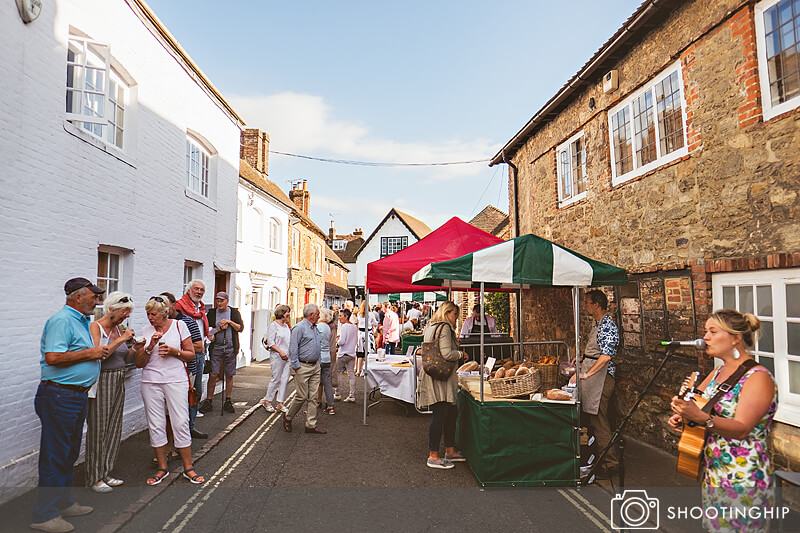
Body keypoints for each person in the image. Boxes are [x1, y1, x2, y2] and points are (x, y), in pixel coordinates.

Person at [669, 309, 777, 533]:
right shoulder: (716, 374)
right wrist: (684, 417)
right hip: (715, 473)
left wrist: (703, 419)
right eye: (705, 331)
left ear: (736, 338)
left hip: (743, 475)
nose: (705, 337)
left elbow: (742, 429)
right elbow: (699, 411)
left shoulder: (758, 377)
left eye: (713, 331)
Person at [31, 278, 110, 532]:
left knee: (69, 452)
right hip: (59, 396)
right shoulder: (62, 320)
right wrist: (91, 353)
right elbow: (53, 358)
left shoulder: (81, 321)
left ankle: (62, 502)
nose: (96, 300)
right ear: (78, 297)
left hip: (74, 396)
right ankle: (44, 515)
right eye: (93, 296)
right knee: (55, 454)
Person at [134, 296, 205, 486]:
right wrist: (149, 347)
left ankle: (188, 467)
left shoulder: (179, 326)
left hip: (176, 380)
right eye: (148, 314)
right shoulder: (145, 331)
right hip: (150, 381)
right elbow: (139, 363)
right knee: (156, 423)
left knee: (180, 421)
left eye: (154, 314)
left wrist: (174, 352)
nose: (150, 318)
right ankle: (162, 468)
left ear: (164, 312)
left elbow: (192, 354)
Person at [86, 292, 138, 494]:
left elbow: (123, 358)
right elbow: (99, 355)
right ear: (112, 309)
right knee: (99, 429)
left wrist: (134, 347)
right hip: (103, 379)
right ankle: (94, 477)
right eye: (125, 312)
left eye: (128, 312)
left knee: (114, 427)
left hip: (119, 377)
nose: (127, 316)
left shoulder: (118, 327)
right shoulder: (96, 326)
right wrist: (122, 339)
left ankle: (105, 472)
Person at [570, 289, 619, 478]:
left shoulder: (608, 325)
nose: (584, 305)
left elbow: (606, 356)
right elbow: (596, 350)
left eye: (587, 302)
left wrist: (586, 374)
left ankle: (610, 464)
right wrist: (582, 359)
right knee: (592, 418)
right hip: (593, 375)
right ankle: (597, 457)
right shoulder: (597, 324)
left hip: (602, 378)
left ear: (596, 304)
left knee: (600, 420)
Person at [417, 301, 466, 470]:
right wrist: (461, 353)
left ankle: (450, 450)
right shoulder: (444, 327)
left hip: (435, 374)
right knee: (440, 414)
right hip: (440, 377)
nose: (456, 318)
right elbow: (446, 353)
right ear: (447, 313)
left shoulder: (431, 325)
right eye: (454, 315)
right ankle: (433, 456)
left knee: (451, 412)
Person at [161, 292, 207, 439]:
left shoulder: (187, 321)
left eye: (166, 305)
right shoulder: (159, 323)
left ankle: (189, 428)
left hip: (187, 370)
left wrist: (175, 347)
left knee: (189, 399)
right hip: (166, 372)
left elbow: (199, 347)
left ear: (174, 305)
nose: (164, 309)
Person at [283, 303, 326, 434]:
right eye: (318, 314)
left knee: (313, 397)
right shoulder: (299, 328)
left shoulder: (315, 328)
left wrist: (318, 362)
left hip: (315, 366)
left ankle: (310, 425)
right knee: (301, 396)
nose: (319, 316)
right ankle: (288, 417)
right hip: (302, 366)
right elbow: (293, 348)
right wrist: (296, 366)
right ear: (311, 315)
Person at [199, 292, 243, 414]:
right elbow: (207, 331)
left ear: (227, 301)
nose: (219, 303)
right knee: (213, 374)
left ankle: (228, 401)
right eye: (217, 300)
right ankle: (209, 401)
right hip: (216, 348)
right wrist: (217, 330)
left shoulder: (234, 312)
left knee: (229, 375)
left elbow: (240, 328)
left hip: (230, 348)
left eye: (222, 301)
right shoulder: (212, 313)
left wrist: (229, 322)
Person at [174, 280, 208, 436]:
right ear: (188, 290)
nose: (199, 292)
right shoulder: (180, 306)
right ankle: (181, 429)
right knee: (185, 392)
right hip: (187, 352)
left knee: (197, 391)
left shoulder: (200, 308)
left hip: (200, 352)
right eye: (196, 289)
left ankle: (191, 426)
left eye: (202, 290)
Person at [262, 304, 292, 413]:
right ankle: (267, 401)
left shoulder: (286, 326)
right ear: (282, 313)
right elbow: (270, 342)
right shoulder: (273, 325)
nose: (289, 314)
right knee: (276, 379)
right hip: (277, 356)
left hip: (288, 356)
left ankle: (280, 403)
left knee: (285, 380)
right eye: (287, 312)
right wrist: (280, 352)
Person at [333, 309, 358, 403]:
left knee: (337, 372)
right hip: (352, 353)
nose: (339, 318)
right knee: (351, 374)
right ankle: (352, 395)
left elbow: (342, 342)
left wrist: (337, 341)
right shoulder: (354, 327)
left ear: (346, 316)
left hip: (343, 353)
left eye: (340, 316)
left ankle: (337, 393)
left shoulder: (344, 327)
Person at [316, 309, 335, 414]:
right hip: (327, 357)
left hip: (319, 358)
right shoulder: (327, 327)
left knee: (316, 382)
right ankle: (330, 405)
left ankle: (316, 402)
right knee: (327, 382)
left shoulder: (318, 327)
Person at [354, 301, 377, 377]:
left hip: (360, 333)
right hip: (368, 333)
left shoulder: (359, 314)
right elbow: (375, 323)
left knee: (360, 353)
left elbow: (357, 323)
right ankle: (366, 369)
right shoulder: (371, 314)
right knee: (368, 352)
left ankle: (358, 370)